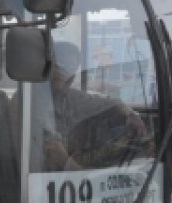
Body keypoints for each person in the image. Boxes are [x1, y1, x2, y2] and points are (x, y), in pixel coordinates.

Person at [43, 41, 147, 171]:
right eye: (61, 65)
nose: (64, 73)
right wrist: (79, 174)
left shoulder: (71, 97)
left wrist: (132, 115)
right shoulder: (30, 100)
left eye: (71, 67)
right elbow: (51, 146)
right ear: (48, 67)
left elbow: (111, 103)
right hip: (41, 175)